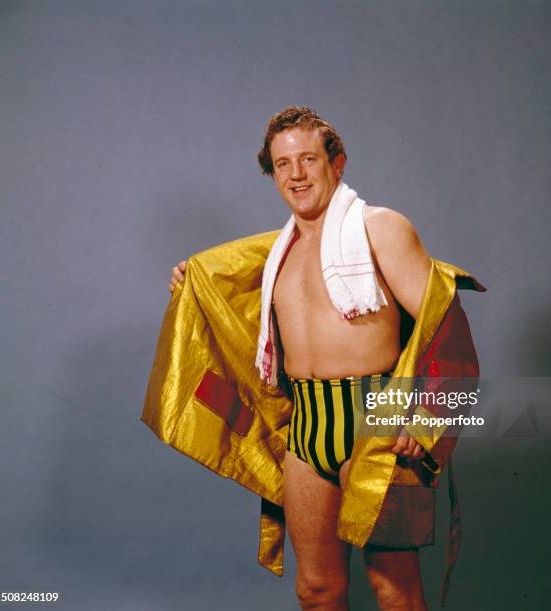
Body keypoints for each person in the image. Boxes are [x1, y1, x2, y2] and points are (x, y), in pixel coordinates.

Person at [167, 107, 442, 610]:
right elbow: (222, 284)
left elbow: (444, 324)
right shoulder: (275, 252)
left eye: (308, 159)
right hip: (307, 426)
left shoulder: (380, 228)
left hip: (375, 417)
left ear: (337, 162)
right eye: (282, 164)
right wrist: (192, 284)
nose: (296, 174)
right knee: (316, 590)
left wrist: (424, 415)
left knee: (394, 589)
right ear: (272, 174)